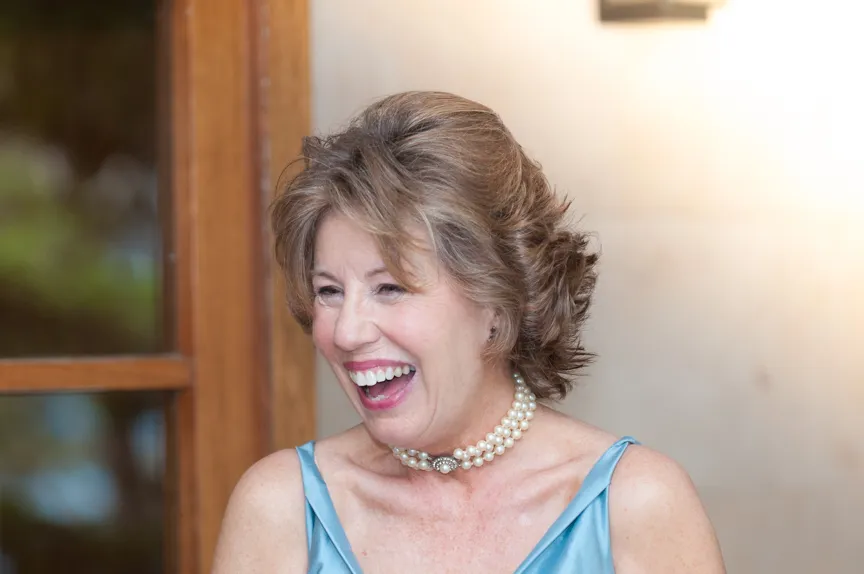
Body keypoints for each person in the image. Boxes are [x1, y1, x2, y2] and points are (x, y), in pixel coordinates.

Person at [212, 91, 726, 573]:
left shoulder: (635, 505)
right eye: (328, 291)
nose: (345, 332)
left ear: (498, 304)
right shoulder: (280, 507)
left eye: (389, 287)